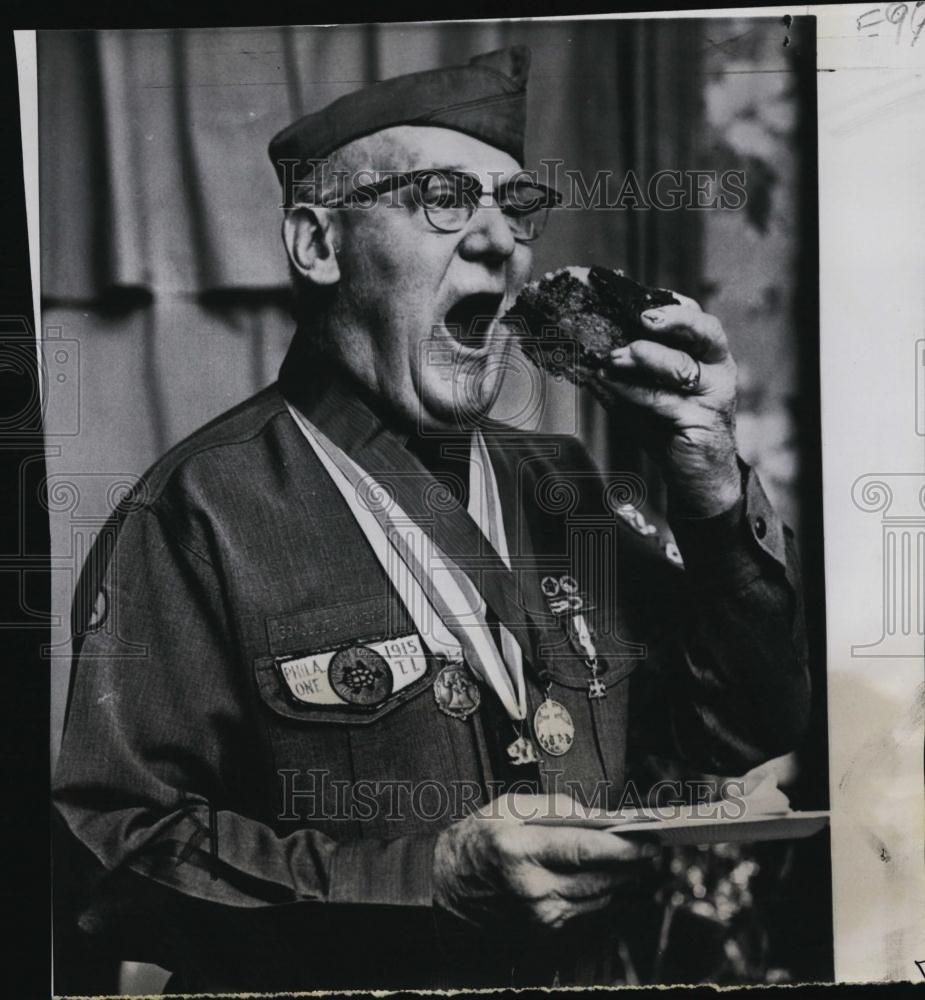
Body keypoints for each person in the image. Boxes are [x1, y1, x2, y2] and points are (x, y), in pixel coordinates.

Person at [53, 46, 811, 991]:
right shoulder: (198, 513)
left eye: (516, 206)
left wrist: (707, 493)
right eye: (443, 197)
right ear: (318, 245)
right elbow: (115, 857)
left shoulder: (565, 484)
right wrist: (430, 875)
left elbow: (739, 734)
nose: (500, 240)